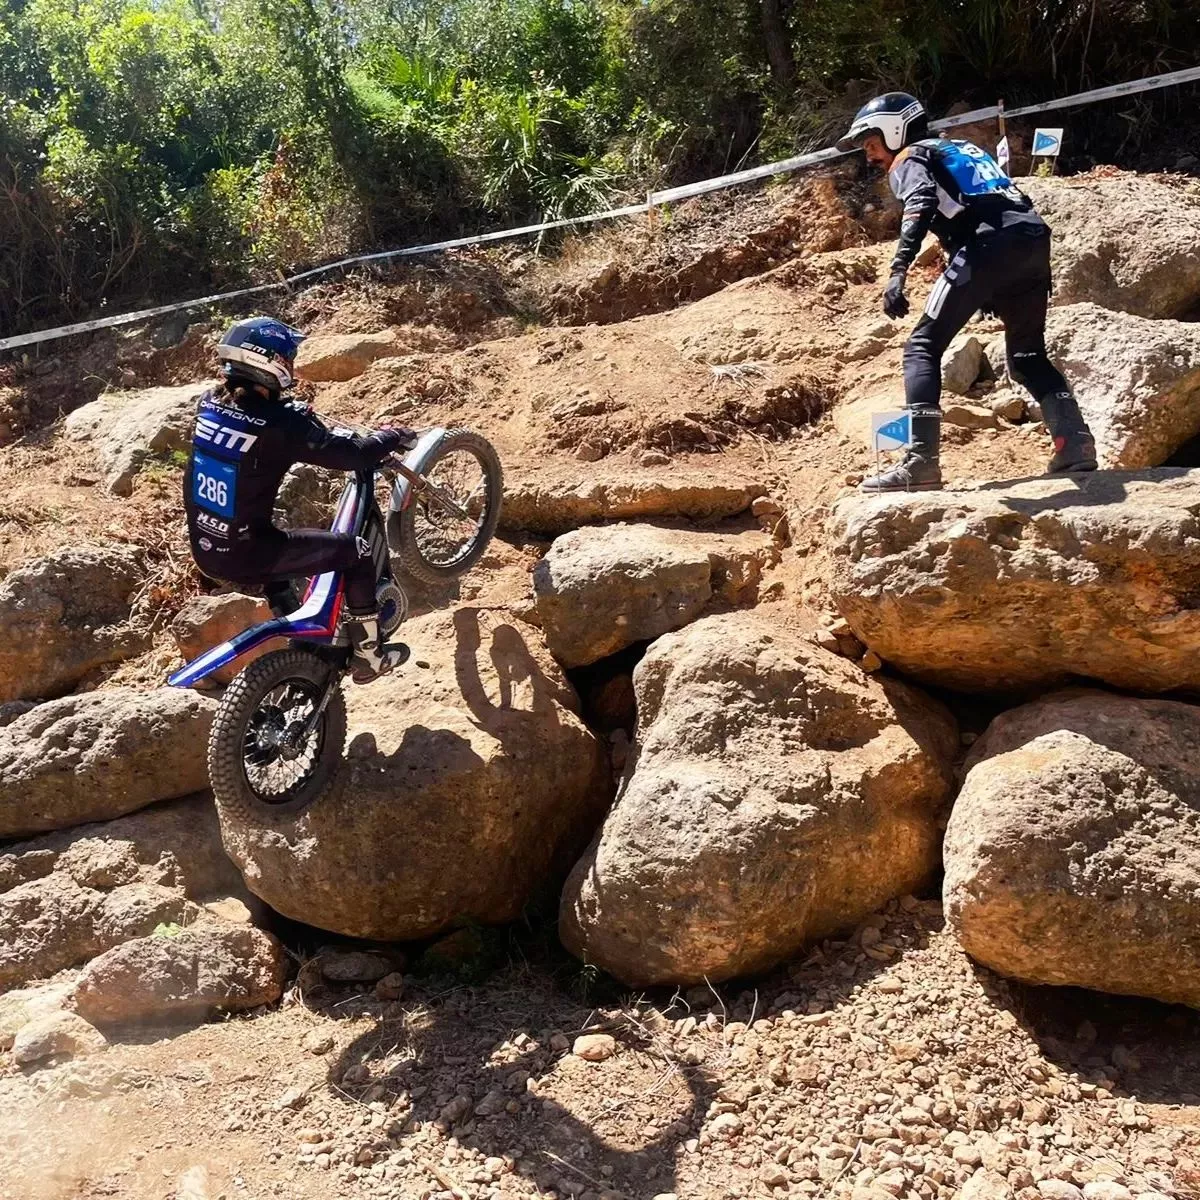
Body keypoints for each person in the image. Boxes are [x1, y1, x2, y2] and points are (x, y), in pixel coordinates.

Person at [837, 92, 1098, 492]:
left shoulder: (909, 158)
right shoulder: (961, 149)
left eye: (872, 144)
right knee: (1027, 357)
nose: (870, 156)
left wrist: (897, 270)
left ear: (894, 131)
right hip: (1031, 239)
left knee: (921, 347)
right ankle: (1075, 445)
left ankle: (920, 464)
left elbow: (922, 202)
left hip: (988, 245)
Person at [184, 316, 414, 683]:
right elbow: (351, 456)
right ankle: (370, 656)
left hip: (207, 549)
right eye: (287, 359)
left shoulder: (209, 404)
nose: (290, 366)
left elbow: (256, 430)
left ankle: (308, 649)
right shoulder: (282, 424)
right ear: (268, 363)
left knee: (277, 560)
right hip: (248, 553)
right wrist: (393, 435)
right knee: (356, 552)